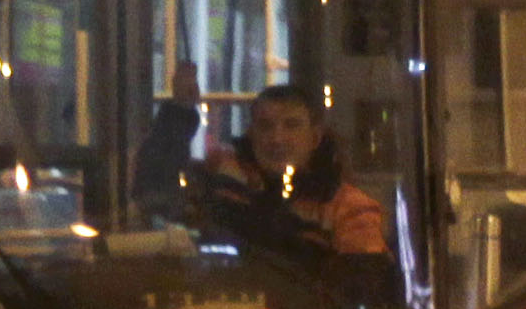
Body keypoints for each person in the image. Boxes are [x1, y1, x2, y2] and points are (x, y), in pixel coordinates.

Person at [140, 64, 391, 262]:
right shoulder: (223, 175)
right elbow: (155, 189)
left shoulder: (348, 208)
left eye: (291, 125)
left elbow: (363, 285)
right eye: (265, 126)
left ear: (314, 137)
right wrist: (180, 111)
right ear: (251, 133)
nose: (277, 138)